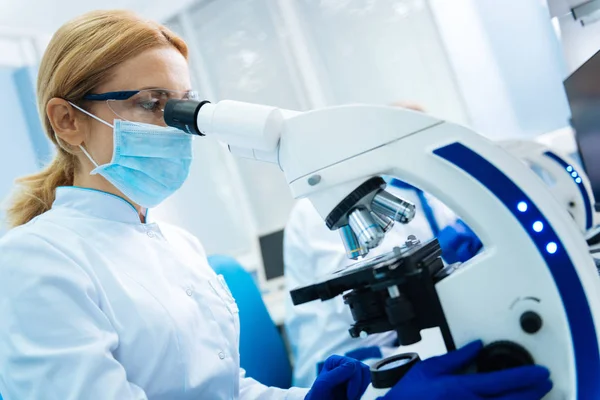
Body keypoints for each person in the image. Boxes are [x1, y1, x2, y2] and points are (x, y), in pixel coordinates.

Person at [0, 10, 551, 400]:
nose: (177, 126)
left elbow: (228, 390)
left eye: (184, 107)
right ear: (67, 120)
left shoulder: (181, 247)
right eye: (152, 104)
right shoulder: (34, 262)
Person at [285, 175, 482, 388]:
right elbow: (367, 305)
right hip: (346, 370)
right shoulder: (319, 209)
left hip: (408, 344)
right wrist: (444, 254)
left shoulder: (417, 188)